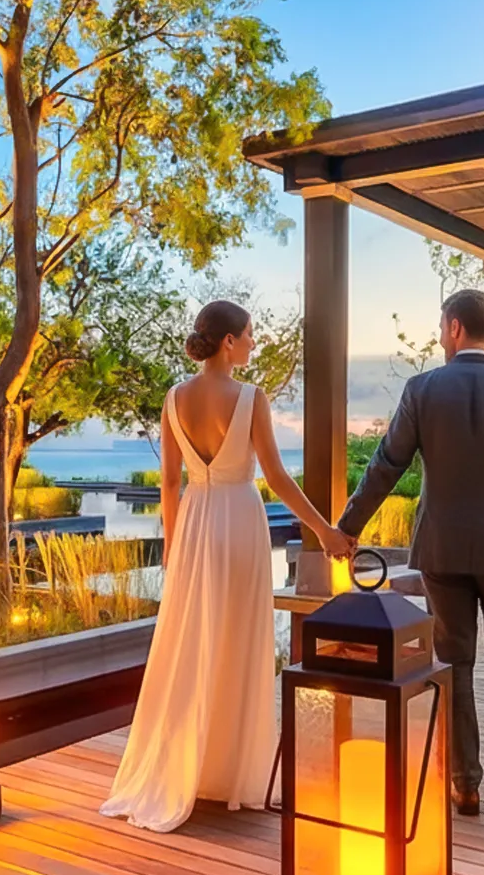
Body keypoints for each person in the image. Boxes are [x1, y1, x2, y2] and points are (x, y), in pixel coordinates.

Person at [101, 300, 356, 833]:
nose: (254, 343)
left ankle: (192, 769)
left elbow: (168, 482)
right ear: (228, 343)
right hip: (240, 521)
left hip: (193, 523)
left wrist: (173, 546)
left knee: (192, 639)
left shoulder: (174, 399)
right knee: (238, 639)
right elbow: (279, 480)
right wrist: (325, 532)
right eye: (249, 335)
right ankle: (228, 772)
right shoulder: (250, 398)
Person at [337, 288, 484, 816]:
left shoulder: (423, 389)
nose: (442, 337)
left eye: (443, 327)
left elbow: (385, 465)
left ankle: (463, 781)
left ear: (455, 328)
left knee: (453, 660)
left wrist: (348, 528)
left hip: (441, 547)